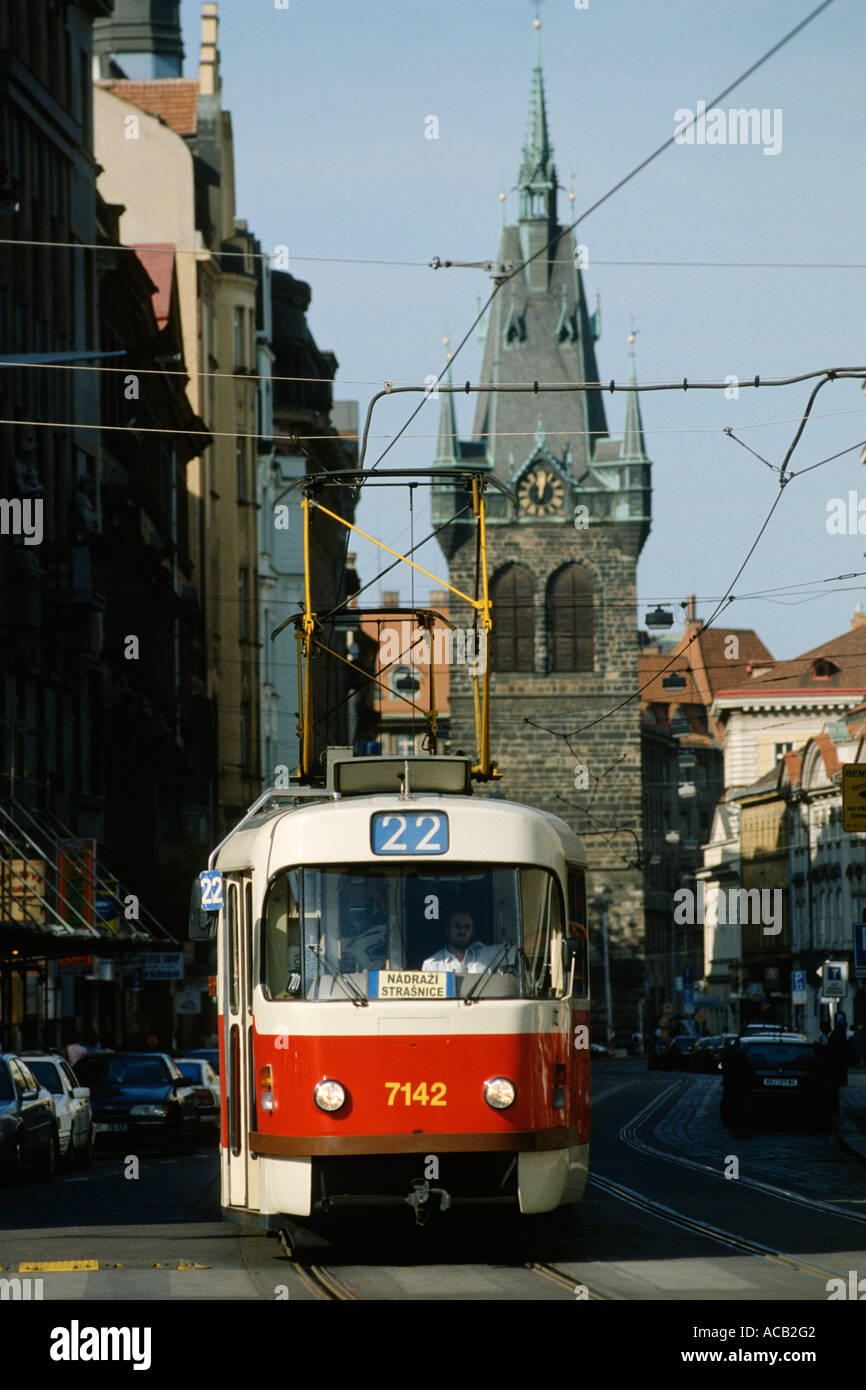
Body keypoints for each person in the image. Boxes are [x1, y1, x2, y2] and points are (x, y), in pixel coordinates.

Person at [422, 910, 502, 973]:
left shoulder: (487, 954)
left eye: (467, 927)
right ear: (448, 929)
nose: (462, 931)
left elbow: (513, 949)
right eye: (457, 926)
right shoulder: (432, 964)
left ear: (472, 931)